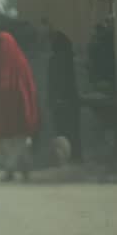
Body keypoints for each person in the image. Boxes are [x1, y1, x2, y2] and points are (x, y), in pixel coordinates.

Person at [0, 31, 40, 182]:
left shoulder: (15, 61)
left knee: (17, 141)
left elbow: (26, 88)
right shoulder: (17, 60)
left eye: (0, 44)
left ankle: (16, 170)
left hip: (16, 110)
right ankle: (15, 169)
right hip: (10, 111)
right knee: (12, 142)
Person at [47, 30, 82, 163]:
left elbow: (53, 82)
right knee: (73, 131)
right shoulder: (68, 58)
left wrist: (52, 100)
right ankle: (75, 156)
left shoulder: (54, 60)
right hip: (70, 101)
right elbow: (69, 81)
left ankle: (64, 158)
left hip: (59, 102)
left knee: (61, 131)